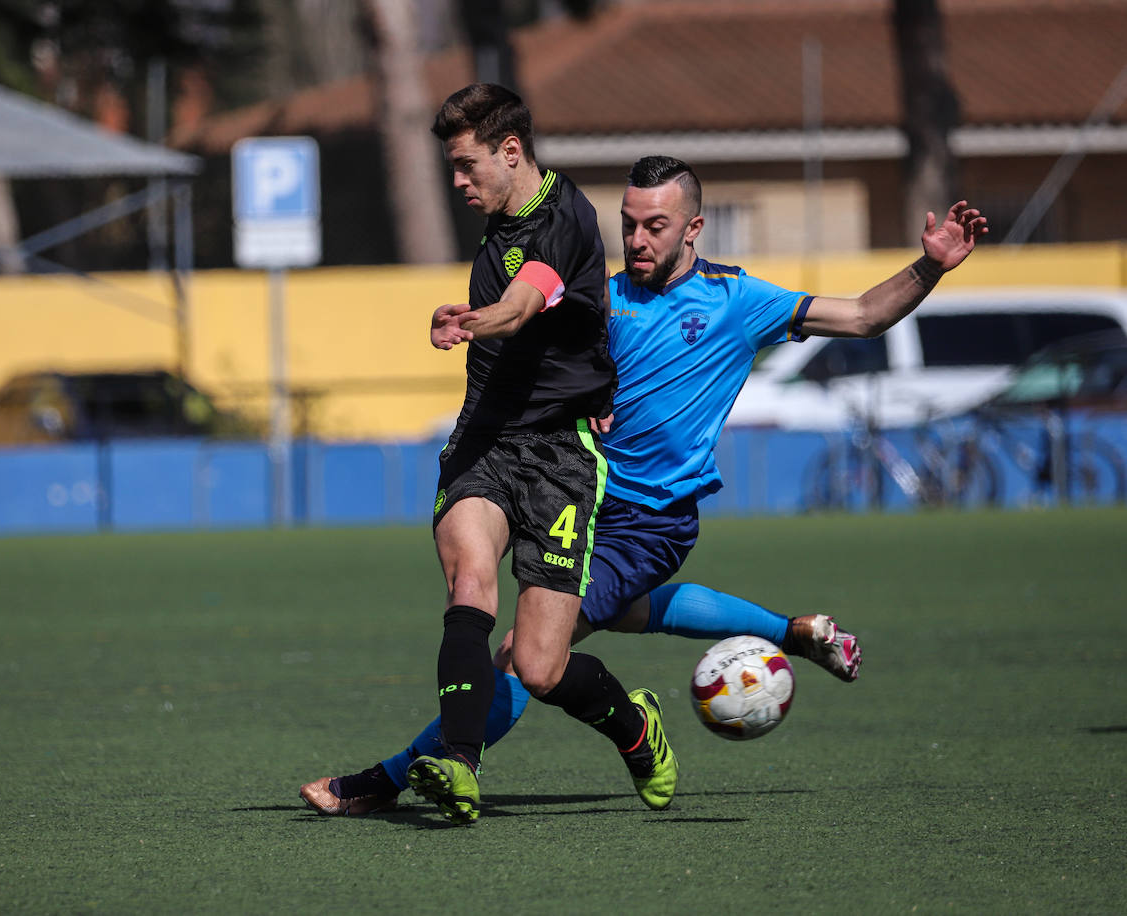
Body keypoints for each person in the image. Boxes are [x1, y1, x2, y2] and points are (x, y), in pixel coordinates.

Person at [301, 155, 987, 816]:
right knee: (626, 612)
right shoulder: (601, 296)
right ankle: (793, 632)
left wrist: (930, 264)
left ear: (693, 228)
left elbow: (864, 316)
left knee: (525, 654)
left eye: (654, 226)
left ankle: (388, 780)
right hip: (569, 492)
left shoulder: (735, 299)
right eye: (627, 223)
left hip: (646, 522)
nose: (635, 239)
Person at [380, 85, 677, 826]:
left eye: (465, 164)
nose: (457, 182)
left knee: (540, 668)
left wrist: (481, 321)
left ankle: (634, 726)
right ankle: (459, 762)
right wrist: (461, 317)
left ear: (511, 152)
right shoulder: (499, 217)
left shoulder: (564, 219)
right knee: (469, 581)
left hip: (559, 456)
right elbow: (502, 311)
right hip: (484, 441)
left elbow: (522, 304)